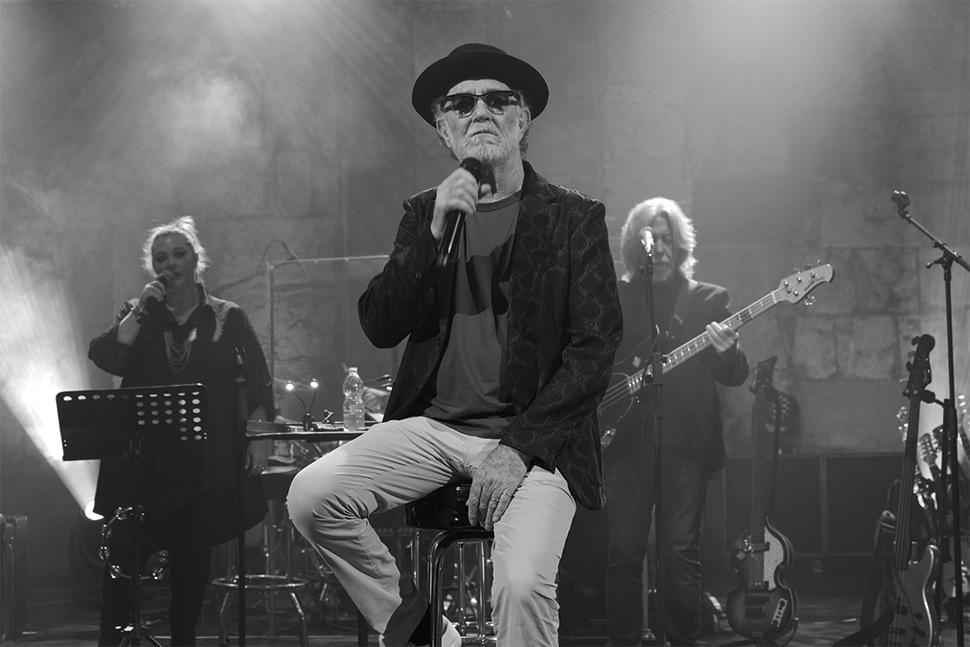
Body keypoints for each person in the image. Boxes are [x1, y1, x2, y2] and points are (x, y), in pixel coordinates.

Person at [287, 43, 622, 647]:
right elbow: (381, 324)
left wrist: (518, 448)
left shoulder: (574, 217)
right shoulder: (425, 213)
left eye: (498, 99)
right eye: (461, 104)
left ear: (522, 119)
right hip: (434, 430)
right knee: (312, 497)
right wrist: (434, 232)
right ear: (443, 129)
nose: (480, 111)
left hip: (536, 439)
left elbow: (595, 350)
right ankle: (427, 636)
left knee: (521, 587)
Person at [89, 216, 273, 646]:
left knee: (192, 559)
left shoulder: (226, 316)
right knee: (125, 553)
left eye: (178, 254)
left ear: (195, 260)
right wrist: (141, 309)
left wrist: (259, 440)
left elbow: (259, 383)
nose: (168, 264)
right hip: (144, 460)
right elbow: (107, 356)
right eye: (160, 258)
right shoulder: (139, 314)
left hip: (201, 460)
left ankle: (184, 638)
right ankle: (111, 639)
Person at [603, 197, 749, 646]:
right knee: (624, 552)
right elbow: (593, 365)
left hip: (686, 445)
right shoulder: (615, 299)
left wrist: (729, 351)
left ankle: (683, 639)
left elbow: (734, 375)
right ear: (635, 246)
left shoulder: (708, 299)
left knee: (678, 553)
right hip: (625, 444)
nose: (660, 249)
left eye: (667, 240)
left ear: (680, 244)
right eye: (651, 239)